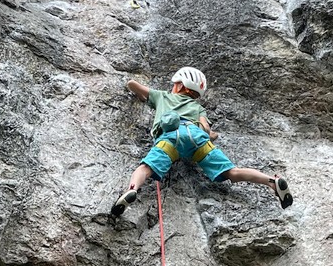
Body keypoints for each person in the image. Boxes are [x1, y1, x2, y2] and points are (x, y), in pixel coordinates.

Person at [110, 66, 293, 216]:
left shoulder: (163, 96)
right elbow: (210, 133)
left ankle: (132, 189)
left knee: (145, 168)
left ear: (180, 86)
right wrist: (209, 135)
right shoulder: (197, 107)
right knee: (232, 172)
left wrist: (144, 97)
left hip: (171, 138)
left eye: (175, 84)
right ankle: (271, 181)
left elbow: (132, 84)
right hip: (197, 139)